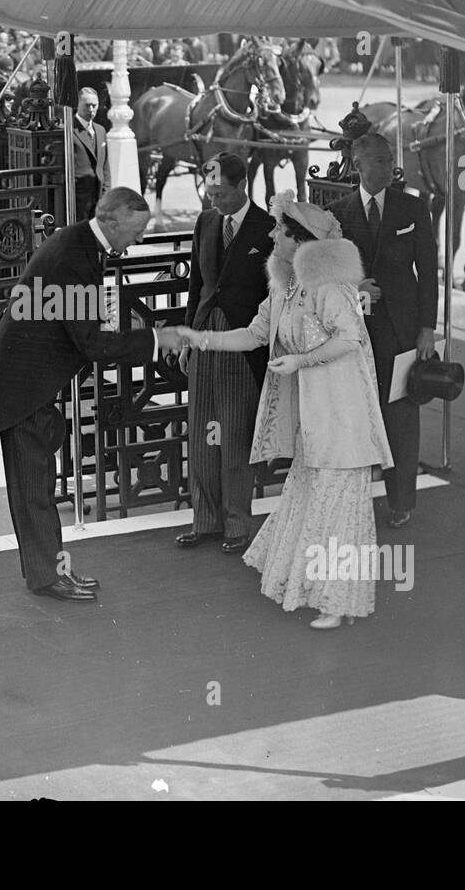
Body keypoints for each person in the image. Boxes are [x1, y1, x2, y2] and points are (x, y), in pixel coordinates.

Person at [0, 188, 188, 601]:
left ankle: (48, 571)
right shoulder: (73, 255)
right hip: (23, 389)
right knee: (35, 492)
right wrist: (155, 337)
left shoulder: (76, 244)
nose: (137, 241)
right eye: (135, 231)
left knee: (37, 489)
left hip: (26, 383)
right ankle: (48, 577)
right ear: (112, 220)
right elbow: (92, 344)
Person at [194, 191, 392, 627]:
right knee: (314, 495)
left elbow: (350, 339)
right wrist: (201, 339)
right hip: (315, 409)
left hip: (343, 407)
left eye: (279, 230)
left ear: (299, 241)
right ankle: (319, 592)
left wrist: (300, 360)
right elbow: (254, 333)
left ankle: (338, 604)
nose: (271, 234)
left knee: (337, 501)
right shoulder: (287, 284)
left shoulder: (329, 286)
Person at [330, 133, 437, 529]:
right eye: (377, 160)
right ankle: (353, 500)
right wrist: (354, 290)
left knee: (401, 415)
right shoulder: (338, 213)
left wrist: (427, 327)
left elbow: (428, 272)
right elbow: (325, 273)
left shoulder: (412, 207)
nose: (387, 166)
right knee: (353, 413)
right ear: (357, 165)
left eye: (389, 159)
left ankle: (401, 500)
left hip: (402, 329)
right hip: (354, 331)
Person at [174, 153, 273, 553]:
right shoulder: (206, 221)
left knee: (234, 434)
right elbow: (197, 283)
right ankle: (205, 520)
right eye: (209, 193)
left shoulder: (268, 228)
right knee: (201, 431)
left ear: (241, 185)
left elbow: (274, 295)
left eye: (220, 194)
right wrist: (188, 336)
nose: (214, 201)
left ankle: (236, 524)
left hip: (243, 341)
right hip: (204, 337)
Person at [72, 87, 109, 220]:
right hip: (77, 200)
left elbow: (105, 167)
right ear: (77, 104)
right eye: (87, 105)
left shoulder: (101, 130)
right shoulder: (68, 130)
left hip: (98, 199)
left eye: (95, 105)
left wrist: (106, 194)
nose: (91, 109)